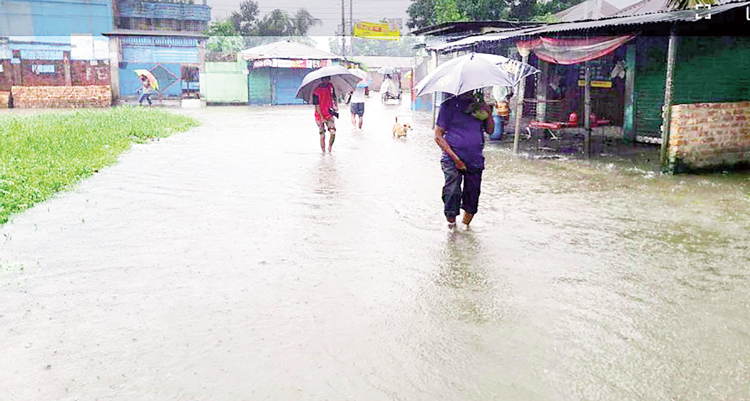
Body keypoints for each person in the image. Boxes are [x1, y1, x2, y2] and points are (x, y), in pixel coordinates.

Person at [434, 91, 494, 229]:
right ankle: (451, 226)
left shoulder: (479, 106)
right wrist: (456, 159)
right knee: (452, 191)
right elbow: (438, 136)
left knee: (473, 194)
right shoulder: (448, 105)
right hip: (451, 158)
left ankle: (466, 227)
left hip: (475, 158)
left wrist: (488, 113)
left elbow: (490, 131)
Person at [311, 76, 338, 152]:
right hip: (319, 115)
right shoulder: (316, 91)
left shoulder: (331, 86)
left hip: (329, 113)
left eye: (328, 79)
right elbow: (317, 106)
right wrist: (321, 117)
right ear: (322, 80)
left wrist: (336, 105)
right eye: (325, 79)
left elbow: (334, 97)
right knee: (322, 135)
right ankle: (323, 152)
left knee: (333, 132)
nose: (327, 81)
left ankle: (330, 148)